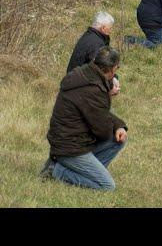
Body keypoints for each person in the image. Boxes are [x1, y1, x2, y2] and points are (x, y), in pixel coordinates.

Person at [40, 47, 128, 191]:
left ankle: (82, 171)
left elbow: (99, 113)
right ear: (111, 69)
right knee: (107, 186)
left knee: (119, 138)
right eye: (117, 68)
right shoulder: (93, 90)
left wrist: (118, 125)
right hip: (69, 147)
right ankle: (57, 171)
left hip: (67, 141)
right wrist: (107, 97)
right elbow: (103, 131)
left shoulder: (83, 73)